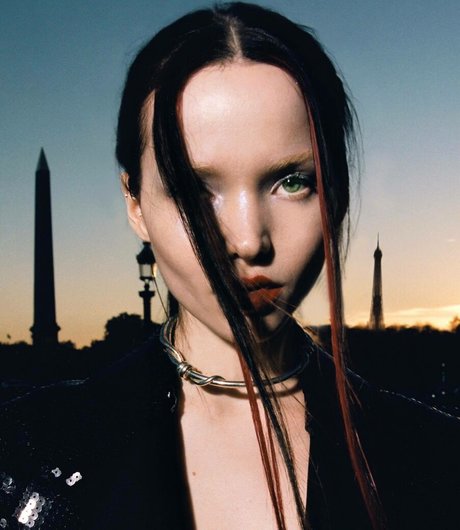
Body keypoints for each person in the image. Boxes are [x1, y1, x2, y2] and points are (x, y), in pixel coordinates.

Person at [0, 3, 458, 529]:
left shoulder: (437, 460)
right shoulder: (22, 459)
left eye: (292, 182)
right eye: (195, 191)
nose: (247, 241)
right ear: (135, 204)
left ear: (338, 193)